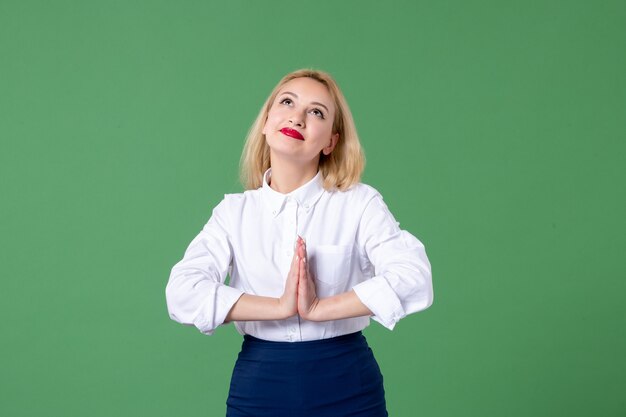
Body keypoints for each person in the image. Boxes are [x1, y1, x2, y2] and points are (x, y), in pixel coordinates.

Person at [165, 68, 434, 417]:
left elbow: (414, 276)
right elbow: (182, 292)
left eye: (316, 111)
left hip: (348, 385)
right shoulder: (233, 212)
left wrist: (321, 309)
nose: (297, 116)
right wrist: (278, 307)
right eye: (287, 102)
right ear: (266, 122)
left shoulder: (359, 203)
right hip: (260, 387)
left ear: (330, 142)